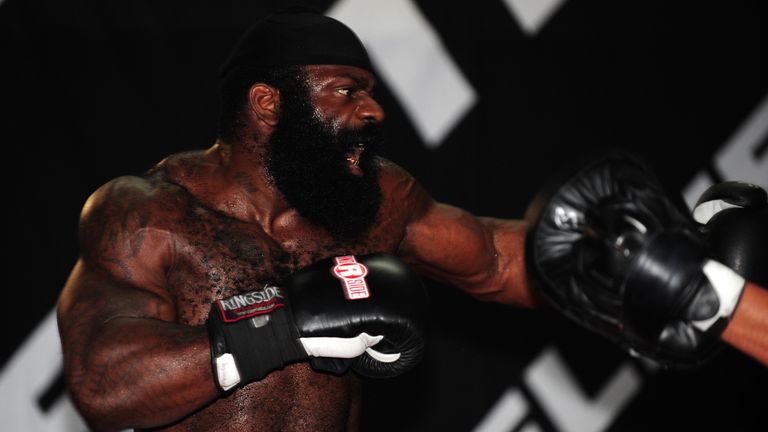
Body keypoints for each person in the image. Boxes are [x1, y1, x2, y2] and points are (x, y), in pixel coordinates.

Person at [56, 9, 767, 432]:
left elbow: (495, 260)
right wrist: (283, 324)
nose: (373, 113)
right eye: (348, 91)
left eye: (373, 94)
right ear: (267, 105)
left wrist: (636, 256)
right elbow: (102, 382)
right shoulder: (147, 214)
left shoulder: (374, 203)